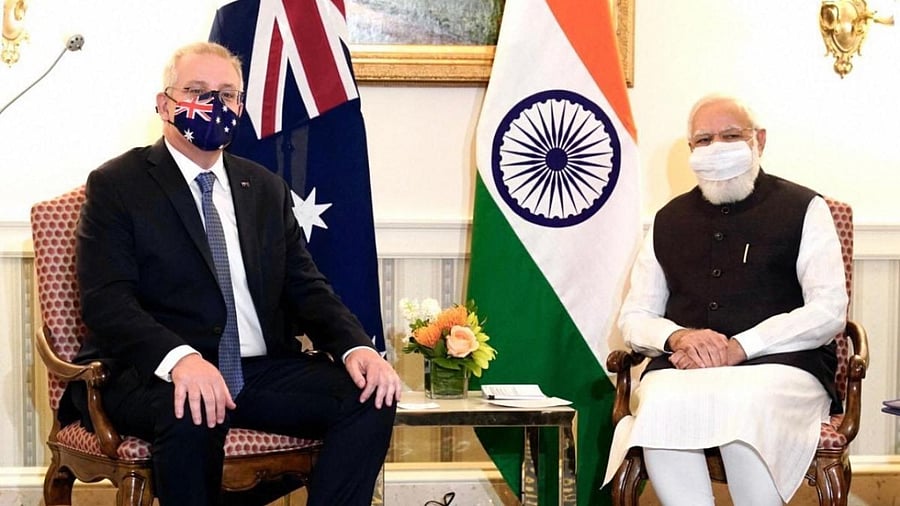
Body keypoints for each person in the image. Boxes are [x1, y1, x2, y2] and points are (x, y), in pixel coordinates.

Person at [62, 41, 401, 506]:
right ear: (164, 104)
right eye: (197, 91)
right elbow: (108, 303)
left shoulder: (265, 187)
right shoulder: (118, 184)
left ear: (240, 107)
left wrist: (355, 346)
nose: (214, 105)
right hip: (154, 373)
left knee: (370, 395)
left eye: (226, 95)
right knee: (195, 406)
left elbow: (306, 287)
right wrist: (181, 359)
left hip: (258, 370)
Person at [603, 94, 848, 506]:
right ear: (690, 149)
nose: (717, 147)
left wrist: (741, 347)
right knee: (660, 403)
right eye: (704, 139)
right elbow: (636, 315)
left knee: (745, 406)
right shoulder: (668, 220)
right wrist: (679, 338)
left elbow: (829, 310)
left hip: (781, 367)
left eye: (731, 135)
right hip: (687, 367)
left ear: (759, 141)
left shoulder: (806, 208)